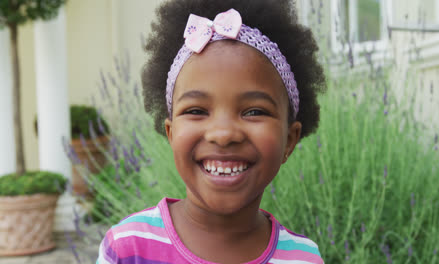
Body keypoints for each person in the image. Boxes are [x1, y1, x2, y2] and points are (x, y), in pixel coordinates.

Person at [96, 0, 326, 263]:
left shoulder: (303, 258)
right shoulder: (128, 248)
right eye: (196, 111)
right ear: (171, 134)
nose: (223, 134)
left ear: (289, 139)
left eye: (254, 112)